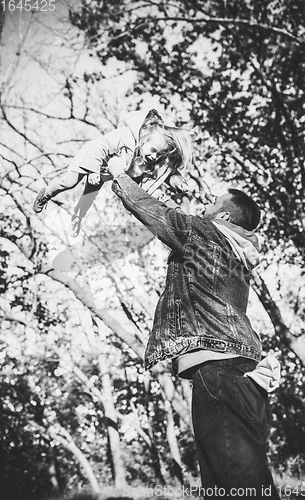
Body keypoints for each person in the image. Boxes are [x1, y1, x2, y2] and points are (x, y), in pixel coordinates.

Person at [106, 161, 281, 499]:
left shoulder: (207, 233)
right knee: (235, 478)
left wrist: (119, 174)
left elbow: (157, 214)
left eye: (212, 202)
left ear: (224, 217)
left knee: (236, 481)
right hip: (236, 369)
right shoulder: (230, 248)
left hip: (219, 371)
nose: (204, 205)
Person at [32, 109, 192, 237]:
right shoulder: (124, 136)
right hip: (93, 159)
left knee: (89, 195)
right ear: (144, 138)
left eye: (158, 153)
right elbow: (98, 146)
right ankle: (45, 194)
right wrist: (93, 169)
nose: (154, 156)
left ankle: (78, 216)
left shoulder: (145, 156)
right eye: (152, 150)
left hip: (105, 171)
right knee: (69, 182)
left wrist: (174, 180)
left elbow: (156, 172)